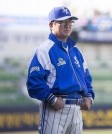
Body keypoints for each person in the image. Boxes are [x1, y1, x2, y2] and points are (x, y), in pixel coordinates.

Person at [26, 6, 95, 134]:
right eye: (62, 22)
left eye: (70, 22)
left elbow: (86, 77)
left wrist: (89, 96)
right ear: (51, 25)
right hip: (55, 109)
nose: (67, 25)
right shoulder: (44, 50)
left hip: (77, 109)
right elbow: (33, 82)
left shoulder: (76, 50)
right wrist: (51, 99)